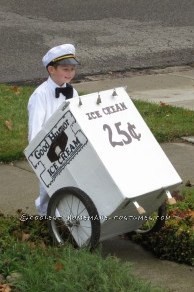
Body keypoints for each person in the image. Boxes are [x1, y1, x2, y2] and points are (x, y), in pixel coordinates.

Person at [28, 43, 79, 215]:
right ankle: (45, 215)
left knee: (72, 183)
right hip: (49, 149)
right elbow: (35, 130)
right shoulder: (40, 95)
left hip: (70, 143)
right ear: (51, 69)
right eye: (65, 69)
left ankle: (67, 214)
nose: (70, 73)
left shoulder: (73, 92)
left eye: (72, 69)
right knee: (49, 185)